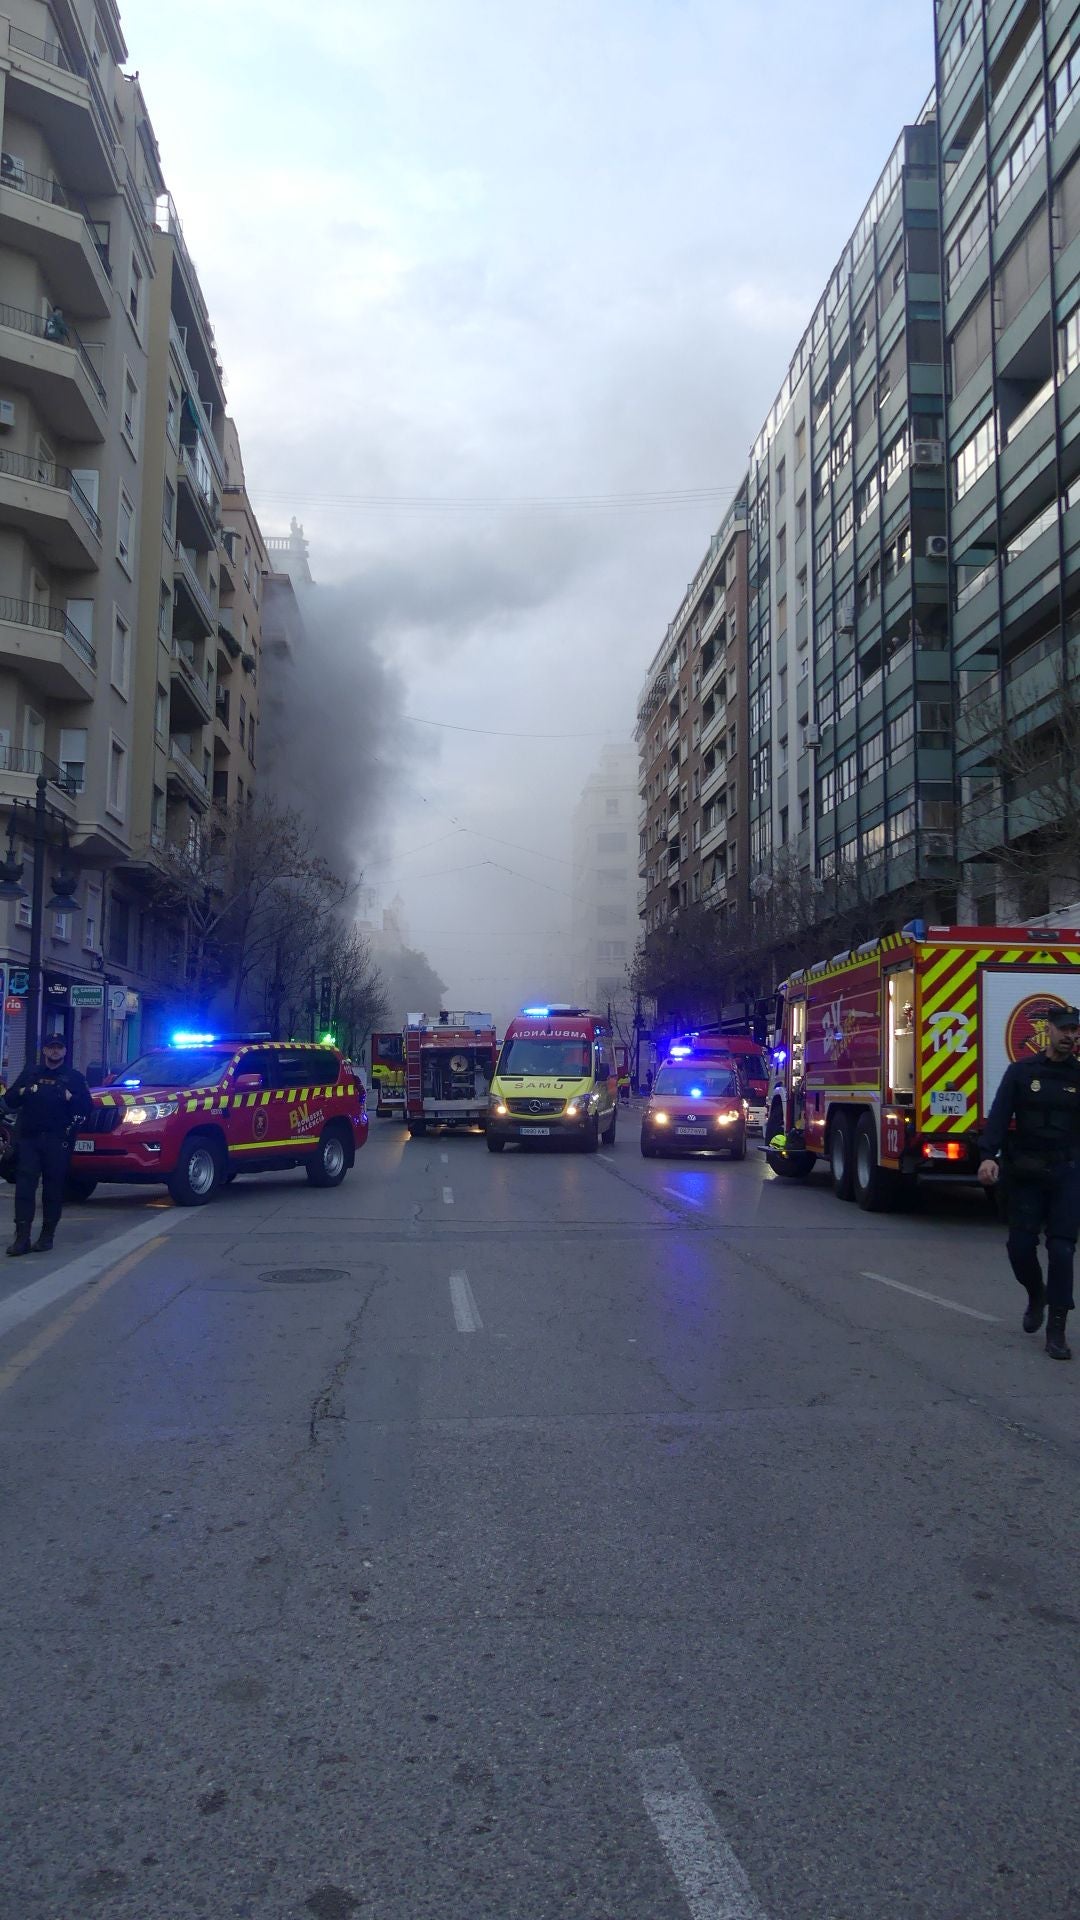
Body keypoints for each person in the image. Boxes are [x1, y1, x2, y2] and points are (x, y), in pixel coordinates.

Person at [978, 1004, 1080, 1361]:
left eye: (1075, 1031)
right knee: (1020, 1247)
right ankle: (1036, 1293)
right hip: (1025, 1174)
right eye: (1064, 1029)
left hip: (1066, 1173)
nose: (1070, 1036)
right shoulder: (1021, 1073)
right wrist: (988, 1155)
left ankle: (1057, 1329)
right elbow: (1000, 1115)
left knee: (1062, 1250)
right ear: (1048, 1030)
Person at [5, 1031, 93, 1256]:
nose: (55, 1050)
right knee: (25, 1189)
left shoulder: (73, 1077)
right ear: (44, 1050)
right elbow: (10, 1099)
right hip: (30, 1140)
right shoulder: (31, 1073)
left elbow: (86, 1108)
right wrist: (25, 1091)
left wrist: (70, 1098)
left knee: (53, 1190)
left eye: (59, 1047)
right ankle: (22, 1238)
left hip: (57, 1141)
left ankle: (46, 1237)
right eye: (51, 1047)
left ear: (65, 1051)